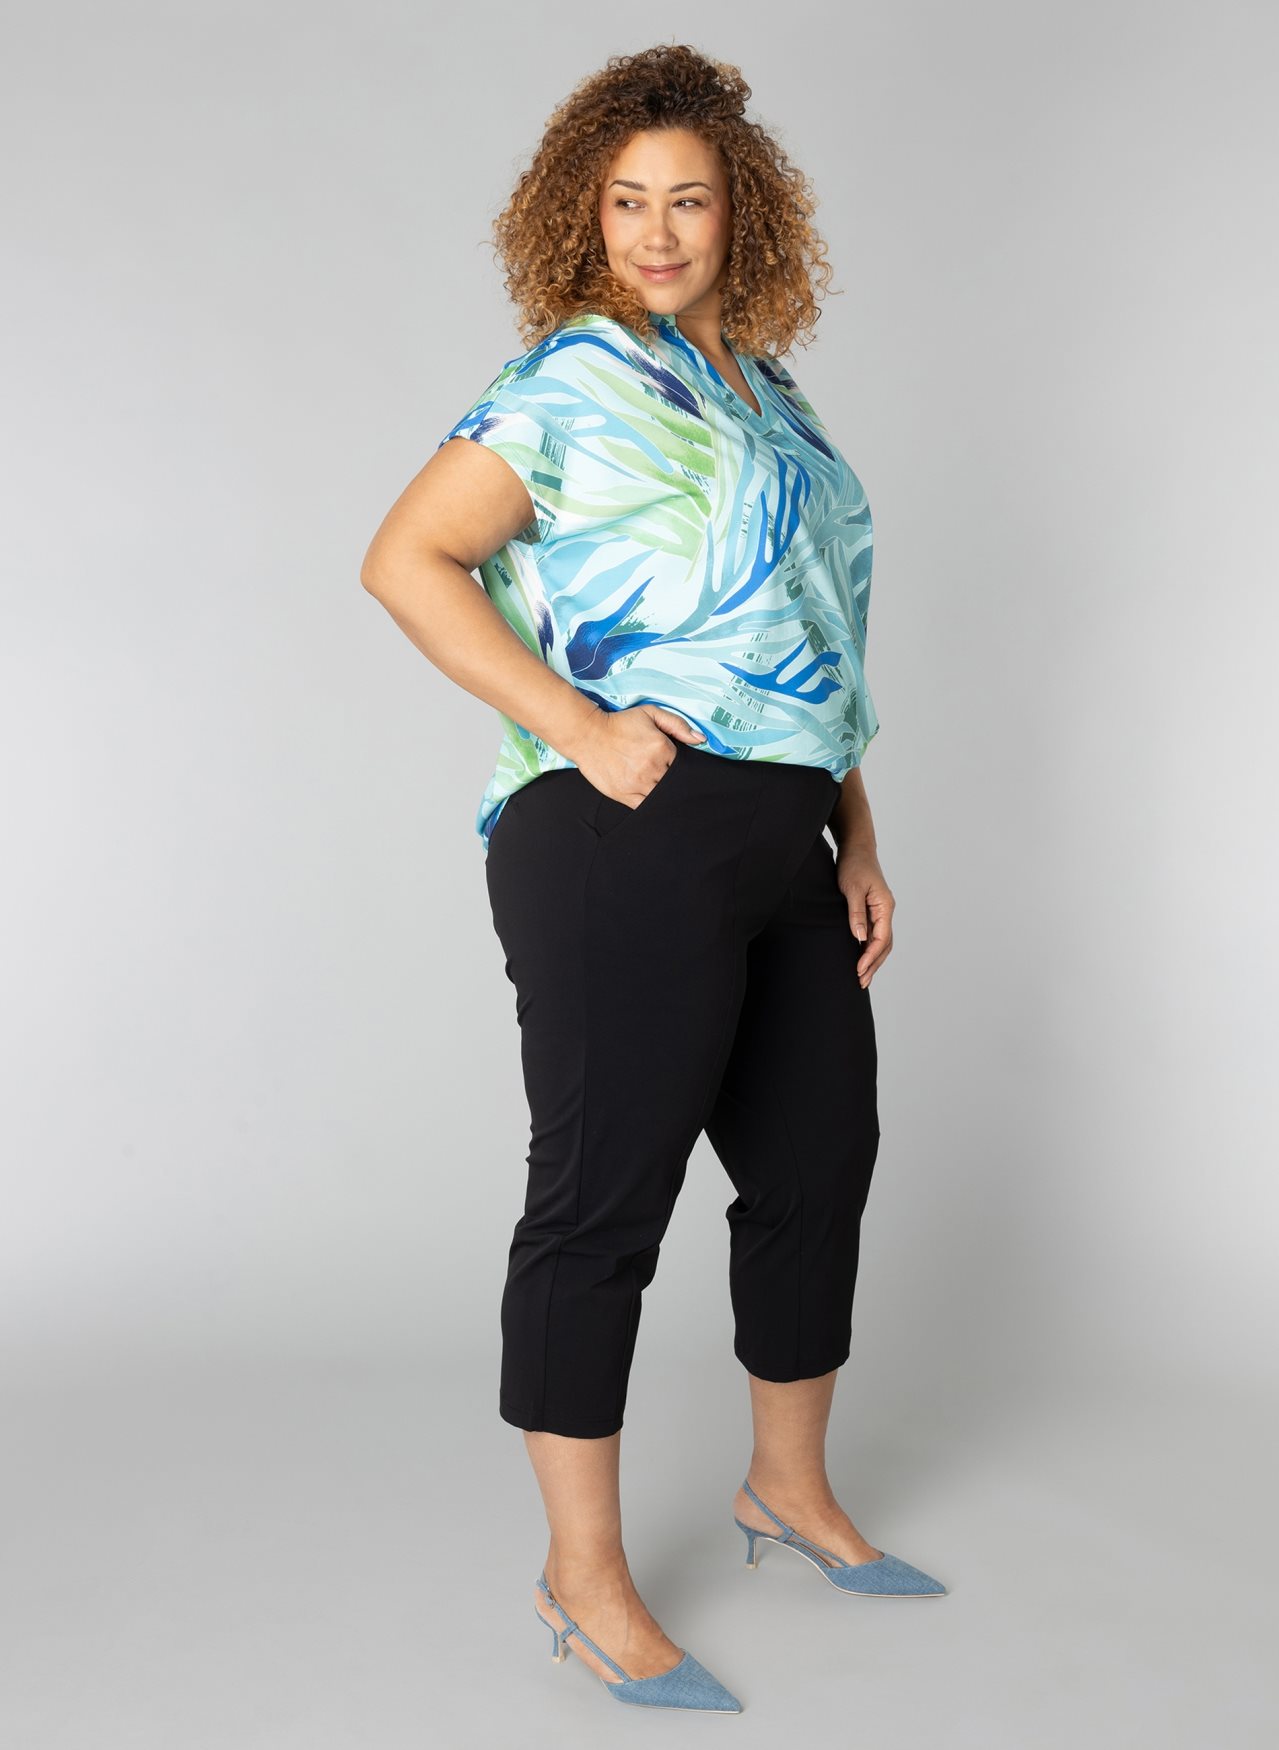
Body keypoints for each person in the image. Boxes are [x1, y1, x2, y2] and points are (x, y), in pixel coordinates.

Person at [361, 43, 946, 1716]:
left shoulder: (775, 394)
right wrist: (577, 724)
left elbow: (814, 638)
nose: (659, 231)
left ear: (741, 214)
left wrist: (857, 832)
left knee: (817, 1162)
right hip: (623, 835)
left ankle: (788, 1490)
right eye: (628, 202)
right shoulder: (567, 380)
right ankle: (584, 1575)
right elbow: (405, 556)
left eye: (688, 200)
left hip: (784, 836)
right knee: (601, 1202)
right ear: (587, 215)